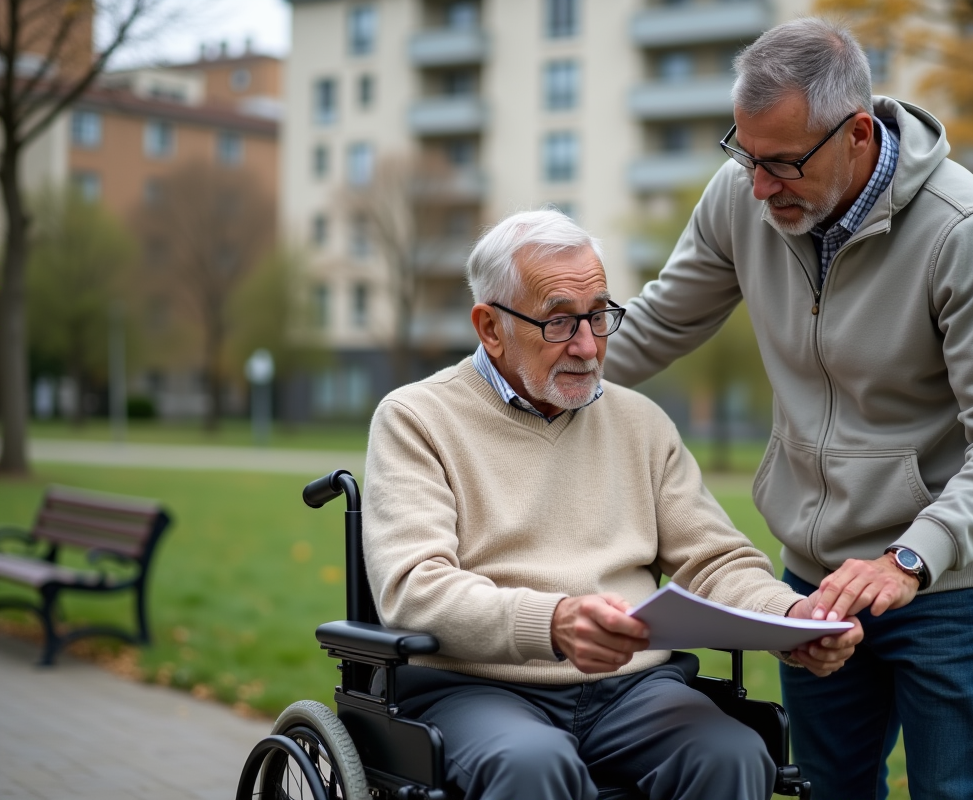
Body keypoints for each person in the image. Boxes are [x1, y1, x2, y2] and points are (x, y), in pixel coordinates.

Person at [602, 18, 973, 800]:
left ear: (856, 133)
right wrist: (501, 379)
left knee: (956, 792)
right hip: (814, 578)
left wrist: (910, 559)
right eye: (745, 157)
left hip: (952, 582)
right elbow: (653, 325)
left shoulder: (965, 234)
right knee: (828, 790)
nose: (759, 187)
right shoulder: (744, 199)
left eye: (780, 164)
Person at [361, 209, 863, 800]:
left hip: (633, 690)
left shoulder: (640, 422)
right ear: (490, 327)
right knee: (532, 766)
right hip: (474, 687)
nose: (587, 346)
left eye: (599, 316)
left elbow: (715, 561)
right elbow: (415, 588)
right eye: (559, 322)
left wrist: (789, 618)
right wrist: (552, 623)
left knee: (733, 754)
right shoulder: (416, 418)